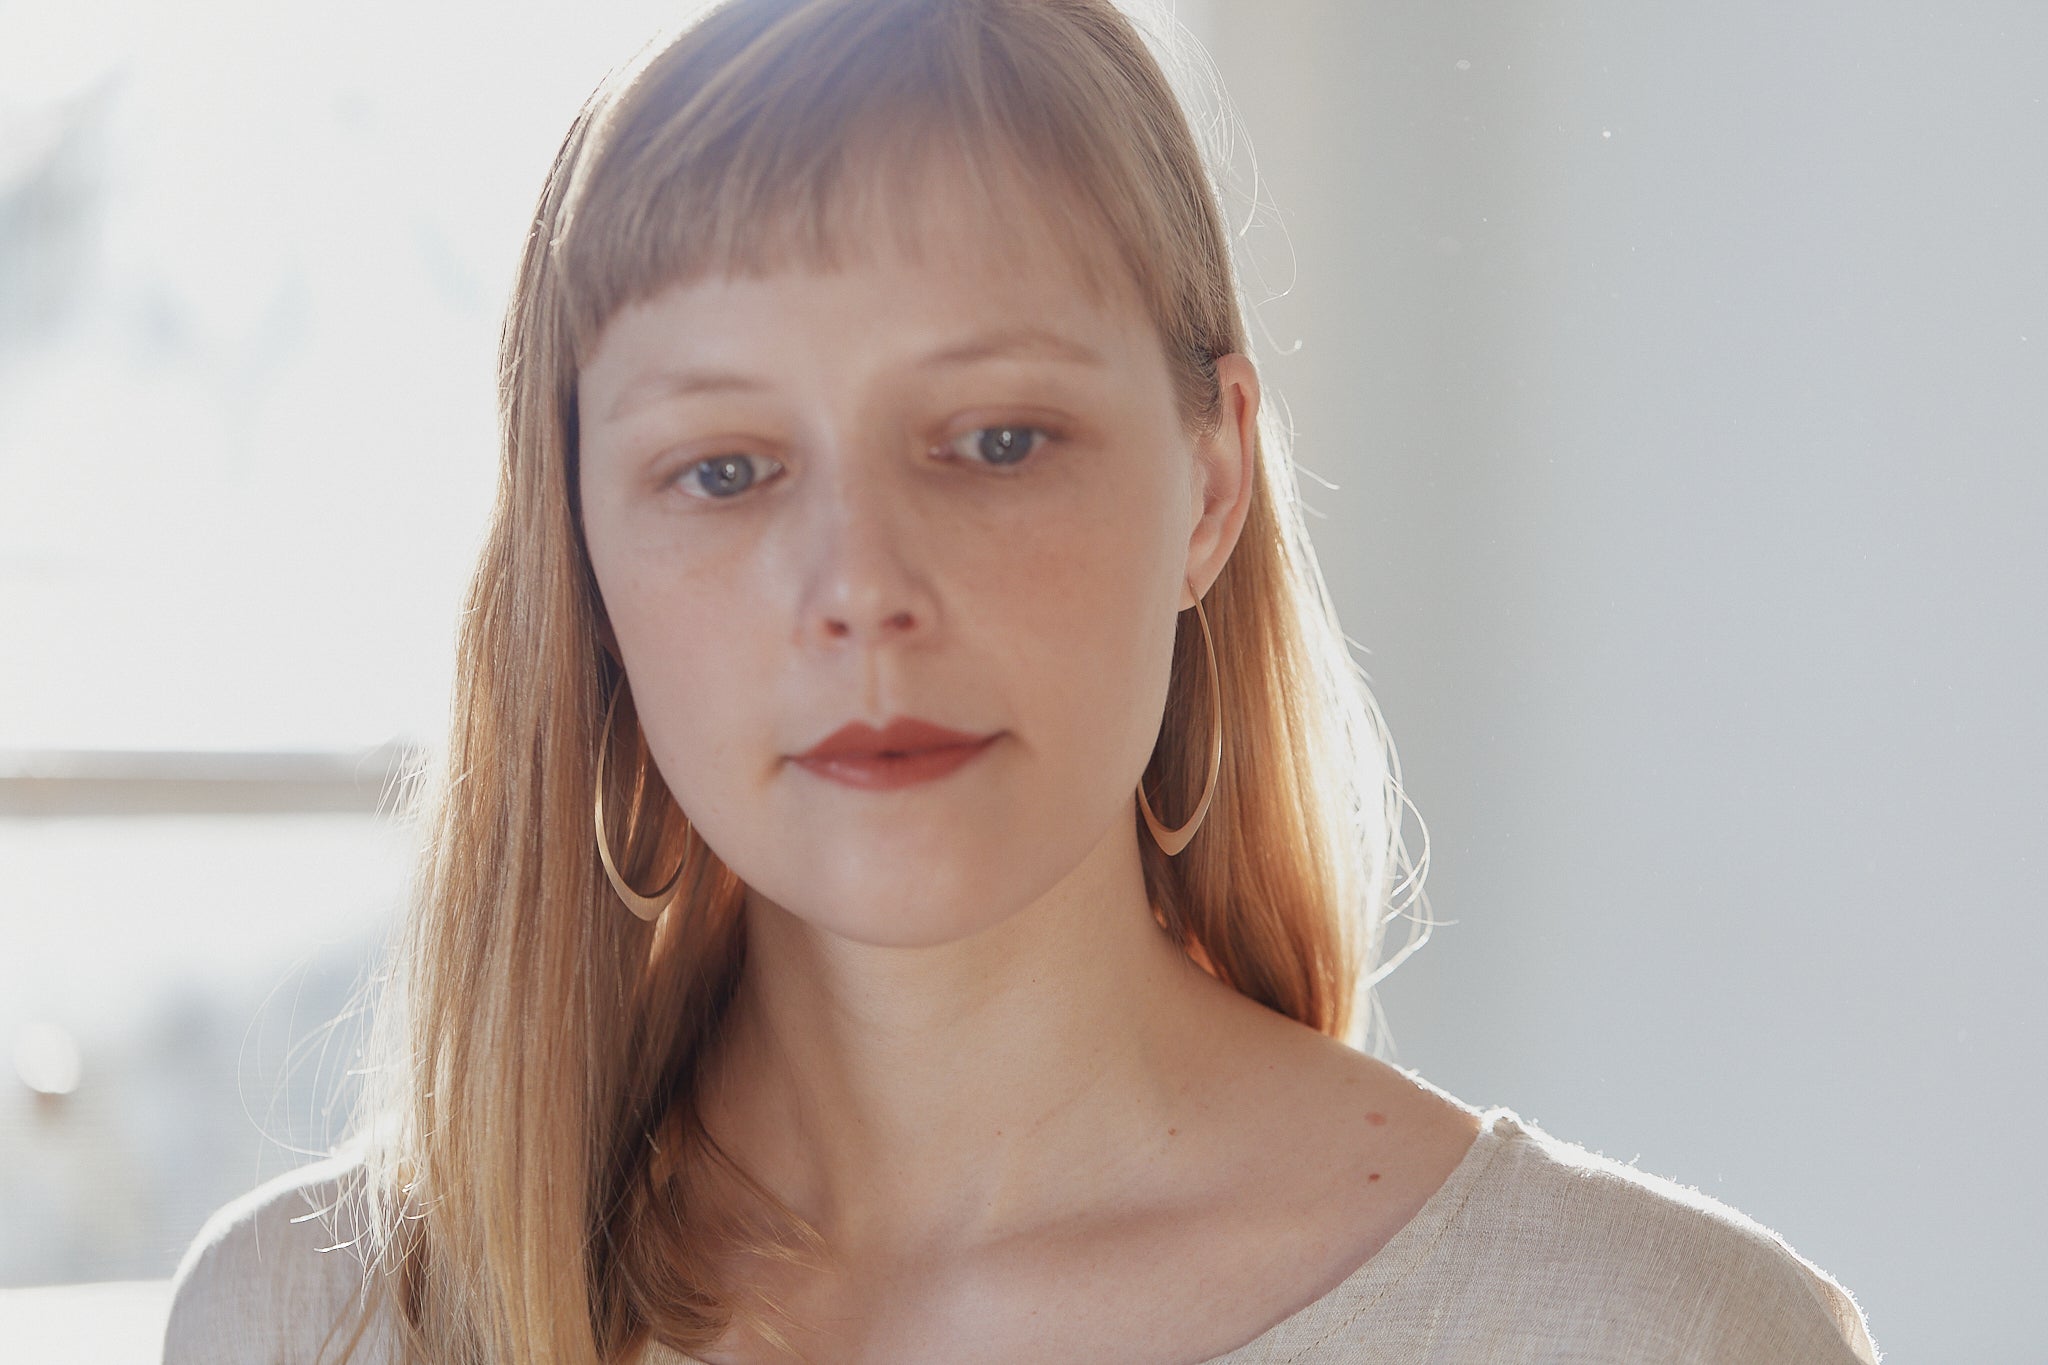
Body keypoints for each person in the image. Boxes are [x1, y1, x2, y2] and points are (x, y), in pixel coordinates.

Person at [163, 1, 1881, 1361]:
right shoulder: (304, 1329)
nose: (861, 593)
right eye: (725, 468)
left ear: (1211, 487)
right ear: (585, 561)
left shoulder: (1657, 1336)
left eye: (995, 440)